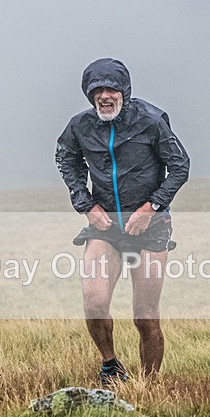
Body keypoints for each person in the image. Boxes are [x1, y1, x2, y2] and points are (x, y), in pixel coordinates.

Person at [55, 58, 190, 385]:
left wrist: (151, 208)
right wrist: (86, 204)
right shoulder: (80, 126)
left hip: (151, 229)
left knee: (145, 317)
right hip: (106, 229)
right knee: (95, 304)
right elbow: (66, 158)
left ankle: (149, 386)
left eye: (111, 89)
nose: (104, 95)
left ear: (124, 92)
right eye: (97, 90)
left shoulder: (151, 121)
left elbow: (180, 166)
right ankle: (111, 366)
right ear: (89, 94)